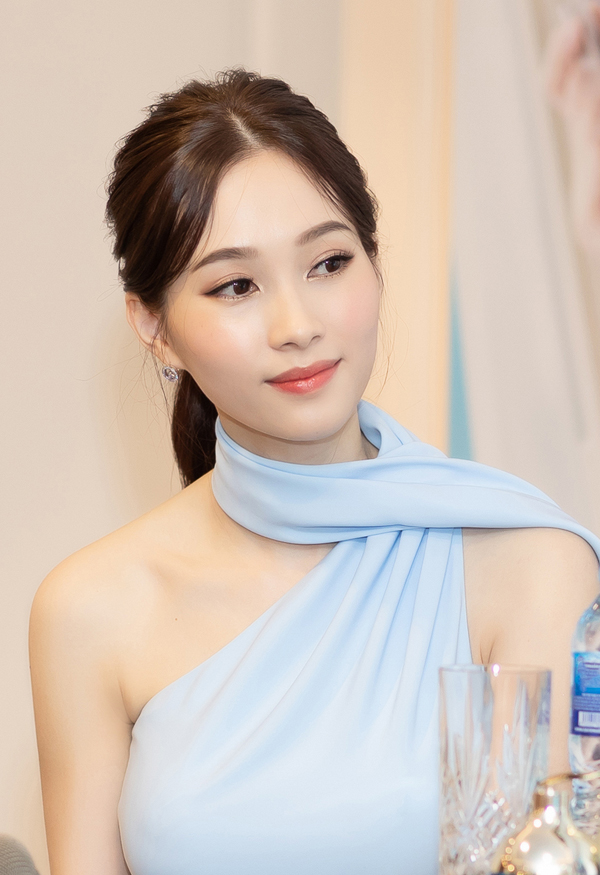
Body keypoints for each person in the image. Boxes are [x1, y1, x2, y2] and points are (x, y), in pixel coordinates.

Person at [29, 69, 600, 875]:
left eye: (329, 263)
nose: (297, 324)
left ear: (374, 262)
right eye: (235, 285)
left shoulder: (530, 565)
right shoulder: (91, 610)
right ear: (154, 327)